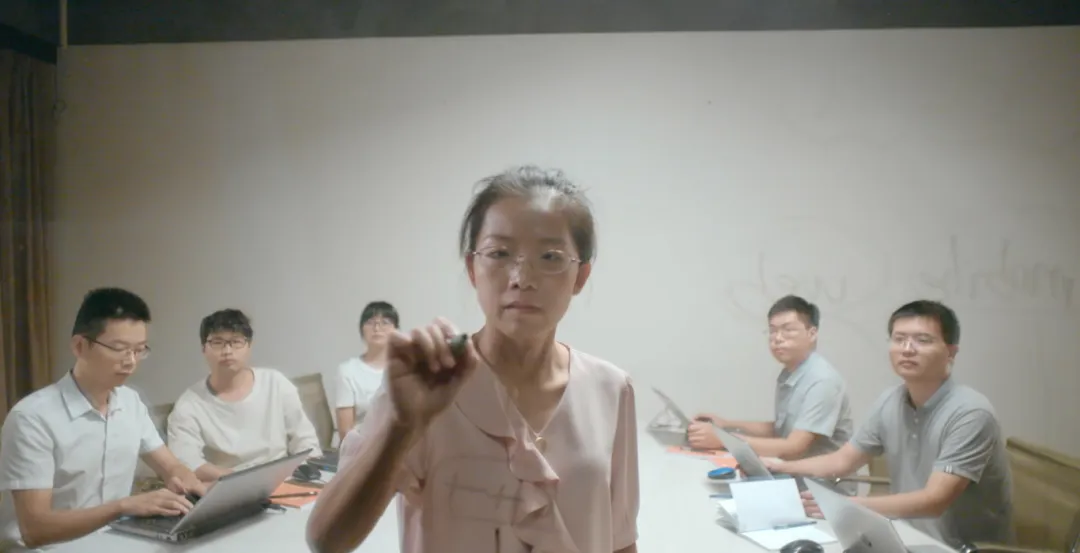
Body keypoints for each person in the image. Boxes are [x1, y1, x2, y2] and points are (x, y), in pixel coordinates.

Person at [306, 165, 640, 553]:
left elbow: (620, 540)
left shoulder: (611, 390)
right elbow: (327, 540)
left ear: (580, 276)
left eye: (550, 256)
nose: (522, 278)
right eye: (499, 254)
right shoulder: (428, 383)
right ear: (473, 269)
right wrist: (401, 427)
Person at [766, 300, 1014, 549]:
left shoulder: (970, 412)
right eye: (899, 339)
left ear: (951, 352)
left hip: (956, 547)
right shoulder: (891, 400)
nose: (907, 349)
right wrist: (781, 465)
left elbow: (934, 501)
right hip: (901, 536)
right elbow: (842, 461)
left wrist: (846, 507)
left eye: (923, 340)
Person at [0, 288, 207, 550]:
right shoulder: (32, 418)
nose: (131, 361)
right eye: (119, 349)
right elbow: (35, 530)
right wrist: (122, 507)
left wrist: (189, 482)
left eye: (139, 350)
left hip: (113, 542)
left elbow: (170, 466)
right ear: (79, 346)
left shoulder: (130, 403)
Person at [689, 295, 854, 463]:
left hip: (819, 478)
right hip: (792, 469)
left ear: (812, 334)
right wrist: (726, 425)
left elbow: (794, 448)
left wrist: (725, 440)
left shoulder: (823, 381)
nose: (778, 338)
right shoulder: (790, 373)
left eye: (788, 330)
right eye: (773, 330)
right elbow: (780, 430)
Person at [166, 309, 322, 482]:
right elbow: (187, 462)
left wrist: (306, 473)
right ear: (203, 349)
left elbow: (304, 440)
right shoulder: (189, 404)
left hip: (284, 480)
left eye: (236, 342)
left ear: (249, 346)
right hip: (227, 485)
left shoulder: (275, 383)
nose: (227, 350)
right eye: (217, 342)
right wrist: (243, 480)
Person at [332, 301, 399, 443]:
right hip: (363, 447)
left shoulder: (405, 369)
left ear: (396, 330)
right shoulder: (348, 371)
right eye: (370, 322)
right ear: (361, 330)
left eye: (385, 322)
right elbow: (346, 433)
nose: (377, 328)